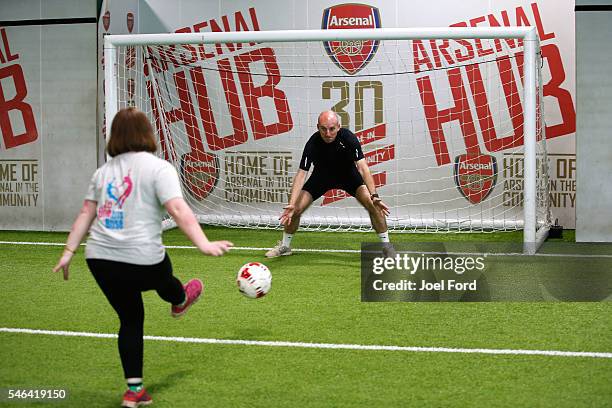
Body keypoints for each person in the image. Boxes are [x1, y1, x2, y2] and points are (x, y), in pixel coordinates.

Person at [53, 107, 233, 408]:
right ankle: (179, 301)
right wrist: (203, 243)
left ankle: (133, 391)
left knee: (131, 319)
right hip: (142, 258)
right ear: (147, 133)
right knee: (165, 281)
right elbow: (177, 209)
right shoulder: (159, 168)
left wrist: (69, 252)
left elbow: (86, 212)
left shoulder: (103, 172)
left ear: (116, 137)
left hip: (101, 260)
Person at [265, 110, 392, 258]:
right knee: (295, 210)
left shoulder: (348, 138)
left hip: (349, 177)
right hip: (321, 178)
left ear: (339, 126)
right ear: (318, 127)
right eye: (323, 129)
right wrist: (292, 203)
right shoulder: (312, 143)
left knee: (373, 205)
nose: (327, 133)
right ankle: (285, 247)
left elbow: (363, 167)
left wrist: (374, 195)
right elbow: (301, 174)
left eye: (332, 129)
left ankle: (387, 247)